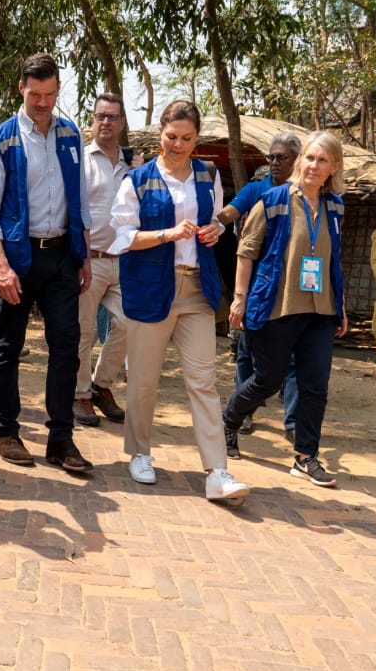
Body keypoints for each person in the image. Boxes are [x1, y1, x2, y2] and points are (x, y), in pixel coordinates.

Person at [109, 100, 250, 501]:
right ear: (160, 133)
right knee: (143, 380)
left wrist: (211, 233)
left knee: (204, 380)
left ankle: (217, 471)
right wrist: (168, 234)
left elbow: (216, 224)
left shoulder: (208, 173)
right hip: (151, 286)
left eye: (187, 139)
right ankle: (139, 452)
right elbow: (121, 237)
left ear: (196, 139)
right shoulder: (136, 179)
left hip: (196, 289)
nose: (178, 145)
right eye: (172, 137)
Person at [0, 53, 93, 473]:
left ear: (57, 90)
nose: (43, 103)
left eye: (50, 94)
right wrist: (0, 263)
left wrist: (84, 254)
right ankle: (6, 431)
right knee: (9, 345)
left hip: (63, 256)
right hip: (19, 259)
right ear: (21, 89)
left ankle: (60, 440)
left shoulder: (70, 135)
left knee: (66, 347)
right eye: (35, 94)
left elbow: (78, 196)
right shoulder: (2, 138)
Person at [224, 131, 348, 488]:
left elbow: (333, 259)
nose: (313, 165)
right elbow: (246, 251)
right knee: (268, 379)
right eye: (309, 158)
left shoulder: (336, 207)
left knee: (315, 384)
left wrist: (340, 306)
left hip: (320, 311)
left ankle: (306, 456)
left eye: (322, 160)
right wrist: (240, 298)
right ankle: (229, 421)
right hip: (276, 307)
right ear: (300, 161)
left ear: (333, 167)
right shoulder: (274, 200)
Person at [216, 131, 301, 439]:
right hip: (255, 284)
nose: (275, 163)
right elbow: (228, 213)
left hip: (293, 287)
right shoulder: (256, 190)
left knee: (293, 356)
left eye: (282, 158)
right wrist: (210, 222)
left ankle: (293, 424)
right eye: (271, 158)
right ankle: (244, 412)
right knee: (246, 351)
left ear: (296, 160)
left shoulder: (306, 193)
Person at [74, 93, 131, 427]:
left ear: (122, 123)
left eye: (113, 117)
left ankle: (100, 386)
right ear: (92, 121)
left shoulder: (131, 166)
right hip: (89, 260)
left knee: (129, 324)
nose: (106, 122)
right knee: (84, 332)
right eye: (101, 116)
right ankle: (80, 395)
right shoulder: (80, 161)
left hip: (123, 260)